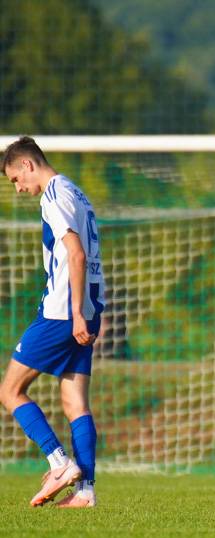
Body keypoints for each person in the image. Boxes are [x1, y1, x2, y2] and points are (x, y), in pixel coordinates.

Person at [0, 137, 106, 508]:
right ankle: (86, 491)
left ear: (28, 165)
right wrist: (90, 311)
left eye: (15, 179)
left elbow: (75, 255)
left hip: (63, 310)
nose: (18, 188)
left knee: (9, 391)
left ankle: (59, 463)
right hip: (88, 306)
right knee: (74, 400)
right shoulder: (77, 192)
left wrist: (76, 312)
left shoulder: (54, 195)